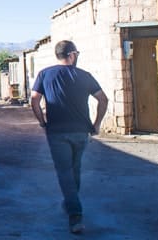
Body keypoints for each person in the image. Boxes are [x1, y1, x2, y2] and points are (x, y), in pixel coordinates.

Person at [30, 40, 108, 235]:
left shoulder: (44, 74)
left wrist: (42, 121)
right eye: (77, 54)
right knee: (74, 170)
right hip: (81, 131)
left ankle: (75, 215)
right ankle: (71, 203)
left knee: (65, 172)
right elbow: (103, 99)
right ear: (72, 55)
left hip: (56, 132)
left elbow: (34, 100)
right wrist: (96, 124)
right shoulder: (84, 76)